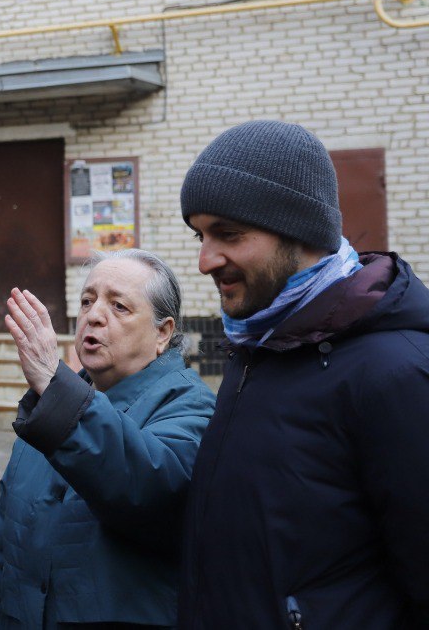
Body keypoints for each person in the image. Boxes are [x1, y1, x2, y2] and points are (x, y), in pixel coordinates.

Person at [177, 120, 429, 628]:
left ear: (301, 229)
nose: (205, 260)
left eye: (228, 233)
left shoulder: (396, 374)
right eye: (200, 235)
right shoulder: (258, 347)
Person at [0, 250, 216, 629]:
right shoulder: (47, 409)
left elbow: (149, 488)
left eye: (118, 306)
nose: (94, 315)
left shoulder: (189, 407)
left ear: (163, 333)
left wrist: (57, 392)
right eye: (87, 300)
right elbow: (2, 555)